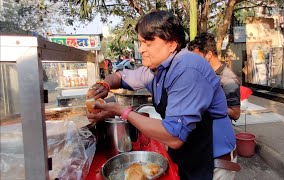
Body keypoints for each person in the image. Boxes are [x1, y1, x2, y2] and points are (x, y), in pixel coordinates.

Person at [86, 11, 239, 180]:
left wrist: (121, 111)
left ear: (172, 44)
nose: (142, 49)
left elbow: (174, 136)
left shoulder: (187, 68)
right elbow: (121, 77)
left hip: (212, 163)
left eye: (148, 43)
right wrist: (104, 84)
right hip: (190, 156)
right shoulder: (156, 70)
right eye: (140, 42)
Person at [188, 32, 241, 121]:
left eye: (196, 57)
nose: (194, 61)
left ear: (209, 55)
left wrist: (210, 105)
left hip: (218, 130)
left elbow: (235, 114)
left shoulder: (229, 79)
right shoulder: (202, 73)